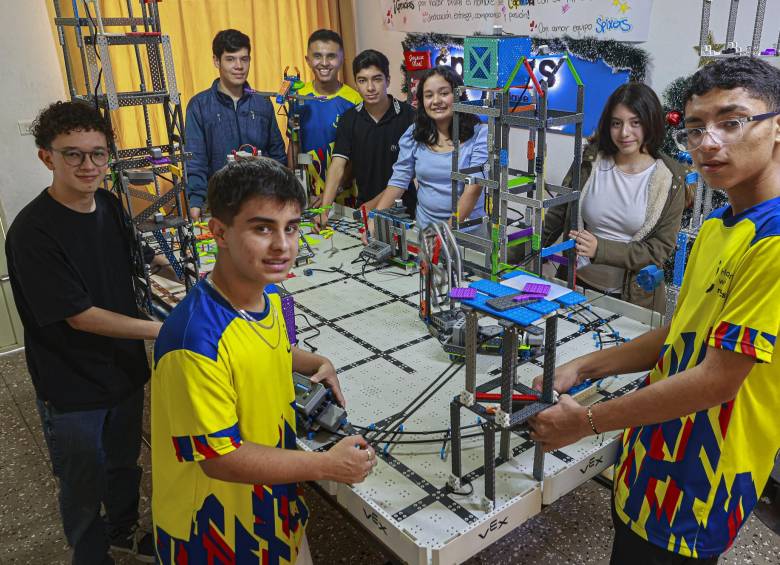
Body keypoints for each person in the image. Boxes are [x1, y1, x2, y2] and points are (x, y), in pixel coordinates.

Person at [529, 56, 780, 564]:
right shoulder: (720, 225)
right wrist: (585, 366)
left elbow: (717, 381)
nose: (709, 143)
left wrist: (587, 422)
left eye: (731, 122)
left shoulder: (774, 243)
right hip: (652, 453)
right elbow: (680, 333)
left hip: (704, 481)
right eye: (694, 128)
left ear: (776, 128)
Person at [152, 158, 376, 564]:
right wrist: (325, 464)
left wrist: (313, 361)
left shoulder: (269, 295)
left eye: (290, 227)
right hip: (215, 531)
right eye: (262, 228)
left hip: (269, 505)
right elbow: (221, 458)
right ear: (218, 231)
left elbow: (266, 348)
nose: (283, 245)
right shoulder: (194, 341)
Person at [5, 100, 163, 564]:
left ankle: (123, 532)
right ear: (46, 156)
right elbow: (80, 315)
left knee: (122, 465)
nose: (88, 165)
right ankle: (92, 555)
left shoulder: (110, 205)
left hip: (124, 371)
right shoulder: (32, 232)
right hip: (72, 385)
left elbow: (135, 257)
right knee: (81, 481)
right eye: (72, 154)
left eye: (98, 153)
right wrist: (161, 329)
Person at [542, 82, 687, 312]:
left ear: (651, 123)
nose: (624, 133)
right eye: (616, 123)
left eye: (635, 123)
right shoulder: (590, 161)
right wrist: (518, 252)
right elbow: (557, 215)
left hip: (633, 299)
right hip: (576, 286)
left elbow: (659, 249)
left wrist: (601, 249)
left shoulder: (669, 180)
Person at [371, 65, 487, 233]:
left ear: (458, 95)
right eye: (429, 95)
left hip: (468, 234)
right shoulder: (414, 133)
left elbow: (473, 189)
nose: (436, 101)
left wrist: (444, 235)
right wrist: (376, 218)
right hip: (425, 232)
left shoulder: (480, 134)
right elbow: (399, 181)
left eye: (444, 93)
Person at [185, 29, 287, 221]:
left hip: (262, 202)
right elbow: (195, 159)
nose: (239, 66)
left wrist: (280, 195)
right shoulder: (199, 106)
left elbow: (277, 155)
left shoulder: (262, 103)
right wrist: (195, 203)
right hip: (219, 206)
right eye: (230, 59)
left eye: (244, 59)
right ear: (216, 61)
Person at [313, 49, 416, 232]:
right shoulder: (349, 119)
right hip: (365, 212)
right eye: (362, 80)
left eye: (377, 79)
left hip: (406, 213)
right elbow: (337, 166)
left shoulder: (410, 116)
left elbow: (412, 175)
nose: (370, 87)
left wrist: (376, 206)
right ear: (356, 83)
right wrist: (325, 210)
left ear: (388, 80)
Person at [293, 29, 361, 206]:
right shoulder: (297, 97)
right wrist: (294, 188)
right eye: (317, 56)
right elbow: (294, 144)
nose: (324, 63)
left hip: (345, 197)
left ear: (341, 59)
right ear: (307, 60)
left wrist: (331, 193)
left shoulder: (354, 101)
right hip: (308, 197)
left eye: (331, 56)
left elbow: (358, 157)